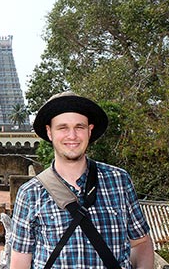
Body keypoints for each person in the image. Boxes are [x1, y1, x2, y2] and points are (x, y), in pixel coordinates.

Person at [10, 91, 154, 268]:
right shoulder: (30, 193)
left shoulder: (119, 181)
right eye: (63, 128)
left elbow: (140, 242)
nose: (72, 136)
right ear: (49, 132)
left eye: (79, 127)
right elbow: (20, 260)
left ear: (89, 130)